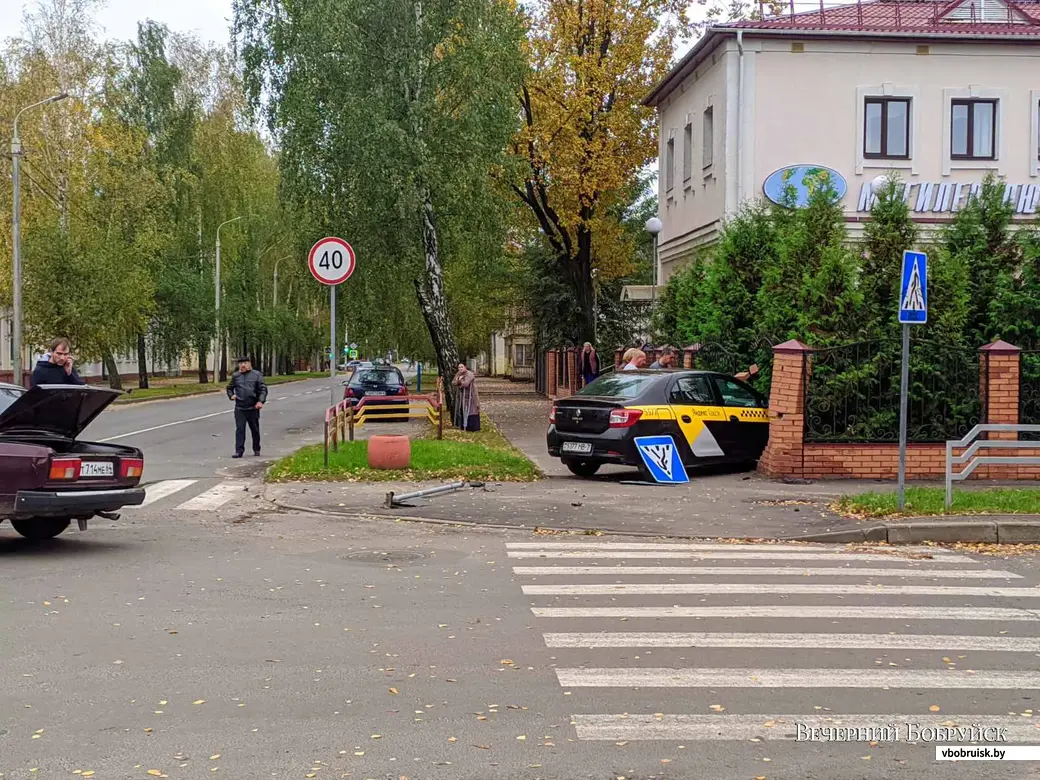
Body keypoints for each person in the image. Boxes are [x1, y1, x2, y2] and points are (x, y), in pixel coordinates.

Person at [226, 356, 268, 458]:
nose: (243, 365)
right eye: (240, 363)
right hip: (240, 408)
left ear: (249, 364)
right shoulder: (236, 376)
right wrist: (231, 395)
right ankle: (239, 451)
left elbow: (263, 389)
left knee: (254, 429)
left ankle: (256, 448)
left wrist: (260, 401)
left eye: (245, 363)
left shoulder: (256, 375)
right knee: (240, 429)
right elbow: (229, 388)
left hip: (253, 407)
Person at [452, 362, 480, 432]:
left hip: (471, 395)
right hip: (463, 395)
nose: (460, 369)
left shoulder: (469, 374)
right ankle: (463, 425)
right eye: (459, 367)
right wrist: (459, 380)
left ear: (465, 367)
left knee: (471, 410)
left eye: (462, 367)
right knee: (463, 409)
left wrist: (460, 380)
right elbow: (453, 382)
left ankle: (473, 427)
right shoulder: (458, 373)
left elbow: (466, 384)